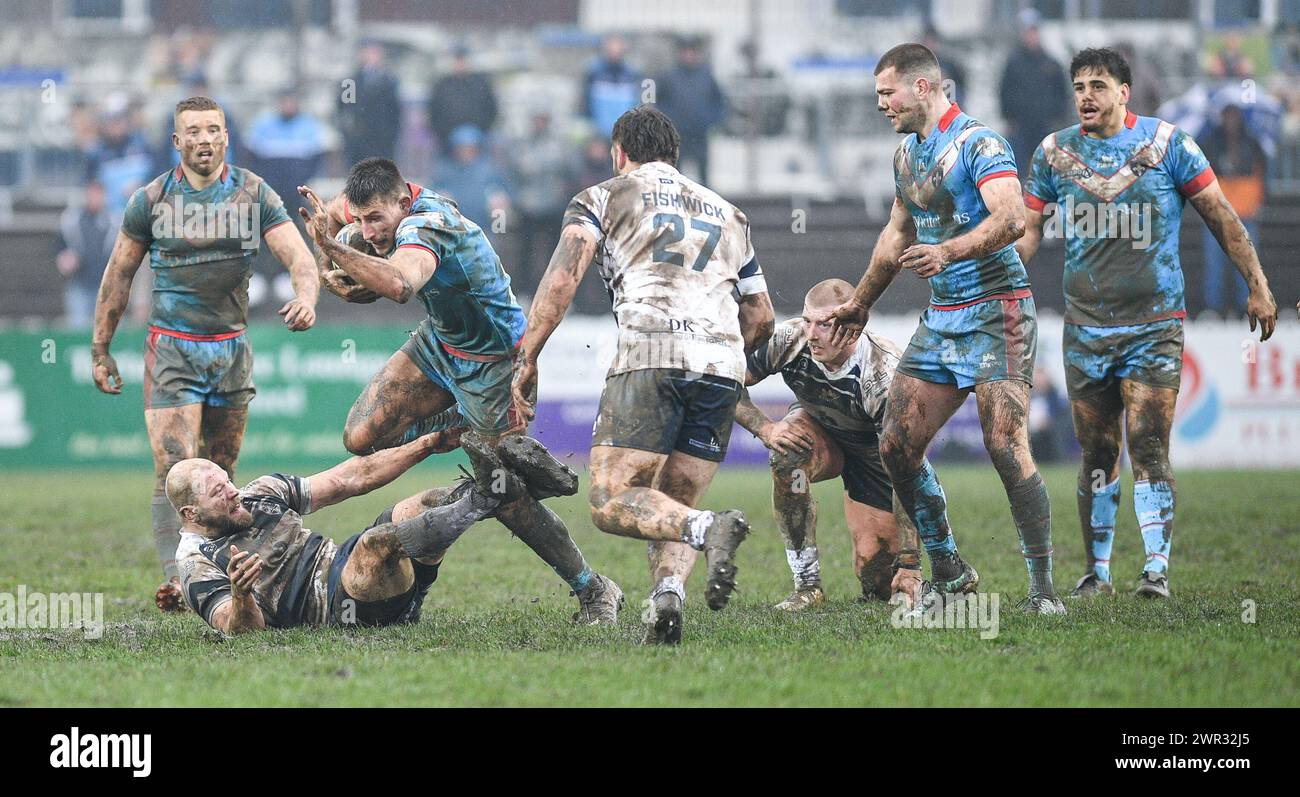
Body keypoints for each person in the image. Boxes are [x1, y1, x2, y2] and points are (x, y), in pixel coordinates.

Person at [296, 158, 623, 624]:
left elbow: (400, 283)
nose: (368, 231)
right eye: (361, 219)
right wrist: (328, 248)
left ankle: (593, 588)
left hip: (495, 363)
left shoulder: (428, 226)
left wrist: (337, 251)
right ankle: (458, 430)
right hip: (441, 343)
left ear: (404, 204)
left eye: (377, 220)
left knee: (504, 493)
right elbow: (334, 215)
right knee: (361, 437)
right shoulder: (374, 205)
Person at [1018, 47, 1278, 599]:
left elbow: (1222, 216)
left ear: (1124, 92)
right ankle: (1098, 572)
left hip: (1154, 324)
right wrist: (1003, 277)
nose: (1086, 96)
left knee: (1149, 442)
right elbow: (1030, 231)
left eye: (1097, 85)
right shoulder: (1054, 153)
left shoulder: (1168, 145)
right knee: (1095, 451)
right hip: (1085, 327)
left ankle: (1155, 568)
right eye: (1080, 86)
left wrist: (1256, 284)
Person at [511, 106, 776, 644]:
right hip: (721, 365)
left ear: (620, 152)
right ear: (675, 156)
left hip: (652, 351)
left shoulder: (604, 195)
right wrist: (725, 356)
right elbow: (762, 316)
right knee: (675, 497)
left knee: (612, 500)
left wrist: (529, 353)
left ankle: (708, 531)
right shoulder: (731, 214)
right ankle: (667, 600)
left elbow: (564, 276)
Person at [818, 43, 1065, 614]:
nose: (881, 104)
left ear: (922, 88)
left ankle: (1043, 591)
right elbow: (895, 236)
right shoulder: (907, 156)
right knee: (896, 446)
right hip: (945, 315)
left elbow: (1012, 219)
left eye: (888, 93)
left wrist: (949, 252)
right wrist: (859, 303)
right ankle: (948, 561)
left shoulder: (979, 143)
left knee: (1004, 444)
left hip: (997, 307)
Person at [90, 96, 321, 611]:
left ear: (226, 137)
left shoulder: (253, 193)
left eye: (213, 129)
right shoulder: (150, 201)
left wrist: (306, 297)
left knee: (220, 472)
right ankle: (175, 578)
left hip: (231, 348)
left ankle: (216, 568)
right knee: (176, 467)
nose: (203, 139)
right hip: (173, 348)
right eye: (192, 131)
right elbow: (119, 275)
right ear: (177, 142)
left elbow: (299, 257)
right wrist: (101, 347)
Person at [170, 427, 568, 633]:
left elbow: (351, 478)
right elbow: (242, 634)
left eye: (227, 479)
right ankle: (490, 496)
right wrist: (241, 596)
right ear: (192, 512)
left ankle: (505, 488)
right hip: (334, 609)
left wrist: (428, 444)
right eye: (217, 491)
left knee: (425, 504)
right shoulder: (194, 564)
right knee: (377, 543)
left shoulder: (258, 493)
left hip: (345, 566)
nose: (231, 490)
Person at [735, 279, 924, 610]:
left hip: (875, 459)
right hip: (820, 435)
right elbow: (723, 382)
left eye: (824, 324)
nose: (811, 333)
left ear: (852, 329)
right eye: (808, 320)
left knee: (878, 581)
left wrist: (910, 563)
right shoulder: (790, 339)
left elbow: (907, 471)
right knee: (787, 453)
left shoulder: (884, 375)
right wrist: (765, 428)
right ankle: (806, 585)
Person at [1199, 104, 1268, 316]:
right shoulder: (1211, 142)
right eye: (1227, 116)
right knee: (1214, 265)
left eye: (1234, 116)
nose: (1231, 121)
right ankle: (1213, 308)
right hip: (1219, 214)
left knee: (1247, 267)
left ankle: (1245, 307)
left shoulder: (1252, 142)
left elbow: (1262, 176)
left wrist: (1258, 202)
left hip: (1245, 213)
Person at [997, 9, 1070, 179]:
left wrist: (1057, 121)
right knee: (1018, 171)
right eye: (1027, 31)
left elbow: (1062, 94)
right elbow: (1004, 92)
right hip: (1020, 127)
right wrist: (1008, 119)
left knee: (1046, 171)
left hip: (1044, 126)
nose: (1031, 36)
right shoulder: (1013, 63)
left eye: (1033, 31)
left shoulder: (1051, 63)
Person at [654, 36, 726, 183]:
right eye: (685, 52)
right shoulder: (669, 77)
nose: (688, 56)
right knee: (675, 176)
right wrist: (668, 123)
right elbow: (658, 103)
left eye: (692, 52)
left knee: (704, 178)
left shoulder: (706, 76)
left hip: (700, 135)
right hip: (677, 136)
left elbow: (719, 101)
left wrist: (710, 121)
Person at [245, 90, 327, 219]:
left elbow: (317, 156)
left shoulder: (309, 125)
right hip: (271, 180)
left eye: (291, 103)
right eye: (285, 103)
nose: (288, 106)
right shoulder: (264, 124)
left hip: (296, 182)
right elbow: (253, 154)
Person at [55, 180, 116, 329]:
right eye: (92, 194)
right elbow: (59, 245)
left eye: (99, 194)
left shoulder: (115, 221)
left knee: (106, 330)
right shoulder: (72, 220)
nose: (95, 198)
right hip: (80, 283)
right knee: (79, 328)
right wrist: (64, 257)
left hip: (106, 286)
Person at [338, 42, 403, 165]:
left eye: (375, 53)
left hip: (382, 140)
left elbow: (395, 112)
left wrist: (390, 135)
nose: (372, 57)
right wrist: (349, 133)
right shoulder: (351, 82)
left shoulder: (389, 81)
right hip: (358, 141)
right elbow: (346, 109)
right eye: (369, 53)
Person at [426, 44, 498, 153]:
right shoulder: (442, 85)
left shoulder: (481, 83)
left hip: (478, 140)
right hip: (448, 142)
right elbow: (433, 112)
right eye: (457, 60)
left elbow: (491, 108)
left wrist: (482, 130)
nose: (460, 64)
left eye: (463, 60)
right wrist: (443, 134)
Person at [581, 34, 642, 138]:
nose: (615, 52)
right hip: (598, 131)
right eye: (611, 49)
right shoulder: (593, 72)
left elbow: (638, 101)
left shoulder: (633, 73)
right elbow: (584, 99)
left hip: (625, 131)